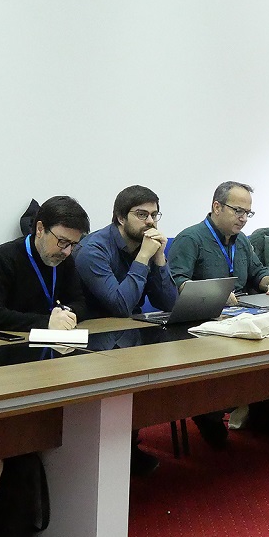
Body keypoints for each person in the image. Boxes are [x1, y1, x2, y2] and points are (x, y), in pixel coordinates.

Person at [168, 181, 269, 448]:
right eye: (238, 211)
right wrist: (215, 294)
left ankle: (256, 409)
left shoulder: (241, 240)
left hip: (239, 317)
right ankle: (207, 409)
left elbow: (257, 272)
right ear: (217, 207)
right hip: (201, 324)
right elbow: (175, 283)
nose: (243, 218)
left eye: (248, 213)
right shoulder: (191, 239)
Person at [75, 185, 178, 476]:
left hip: (129, 332)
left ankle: (128, 445)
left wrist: (160, 258)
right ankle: (113, 451)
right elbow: (119, 305)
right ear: (121, 217)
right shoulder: (93, 250)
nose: (150, 222)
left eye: (155, 215)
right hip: (91, 339)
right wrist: (143, 257)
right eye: (142, 214)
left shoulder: (149, 247)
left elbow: (170, 303)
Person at [0, 195, 91, 333]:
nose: (67, 251)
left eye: (73, 244)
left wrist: (65, 314)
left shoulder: (65, 260)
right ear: (40, 229)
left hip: (45, 340)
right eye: (62, 241)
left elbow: (79, 303)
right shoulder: (2, 258)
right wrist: (46, 322)